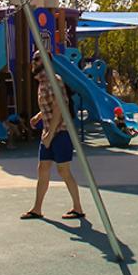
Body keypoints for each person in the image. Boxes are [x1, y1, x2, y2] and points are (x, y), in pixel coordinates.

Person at [20, 50, 84, 220]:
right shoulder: (42, 83)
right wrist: (38, 116)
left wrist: (50, 134)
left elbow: (59, 108)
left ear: (44, 62)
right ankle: (37, 208)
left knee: (63, 170)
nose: (32, 63)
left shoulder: (55, 81)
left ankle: (78, 208)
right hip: (48, 131)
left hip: (60, 132)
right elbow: (48, 106)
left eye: (36, 59)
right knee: (43, 168)